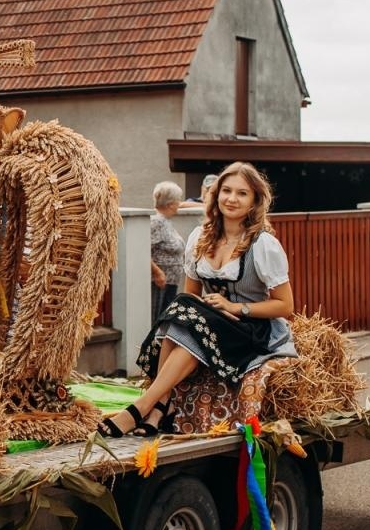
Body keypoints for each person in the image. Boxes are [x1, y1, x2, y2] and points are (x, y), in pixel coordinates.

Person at [100, 161, 296, 437]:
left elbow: (285, 306)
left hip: (251, 330)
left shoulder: (264, 245)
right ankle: (161, 406)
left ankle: (147, 406)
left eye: (242, 193)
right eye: (226, 190)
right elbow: (190, 296)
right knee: (182, 306)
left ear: (254, 202)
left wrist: (236, 307)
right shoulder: (199, 237)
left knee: (186, 313)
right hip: (214, 325)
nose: (231, 198)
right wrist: (212, 311)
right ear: (215, 195)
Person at [149, 181, 185, 318]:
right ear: (170, 204)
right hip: (160, 283)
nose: (179, 204)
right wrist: (158, 273)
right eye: (178, 201)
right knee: (158, 319)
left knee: (165, 319)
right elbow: (143, 250)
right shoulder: (157, 222)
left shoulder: (165, 221)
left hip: (170, 281)